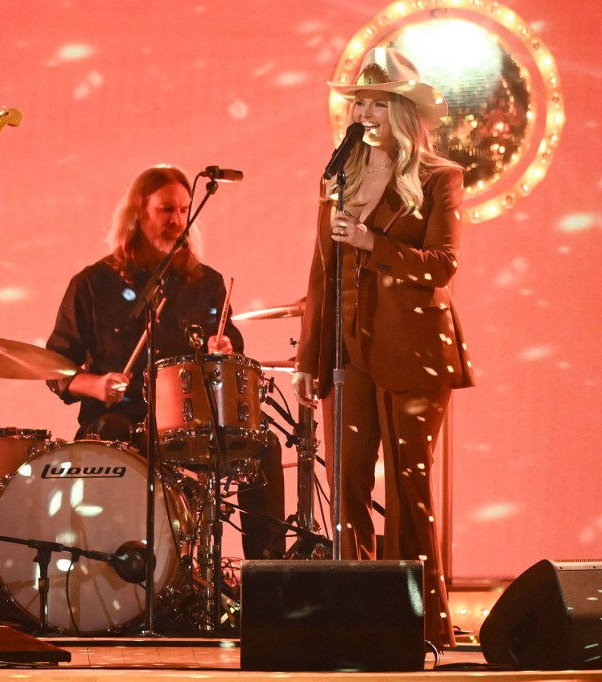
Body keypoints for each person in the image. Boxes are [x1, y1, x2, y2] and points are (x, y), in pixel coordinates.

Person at [292, 47, 475, 649]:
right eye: (358, 102)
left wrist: (372, 241)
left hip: (414, 348)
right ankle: (356, 613)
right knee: (345, 482)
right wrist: (308, 360)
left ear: (401, 110)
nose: (364, 112)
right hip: (349, 350)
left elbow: (442, 265)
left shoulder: (438, 176)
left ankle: (420, 622)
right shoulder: (337, 177)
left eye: (376, 101)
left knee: (407, 484)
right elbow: (320, 275)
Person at [46, 165, 284, 562]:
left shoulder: (207, 283)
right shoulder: (92, 284)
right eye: (166, 210)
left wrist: (224, 347)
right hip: (120, 420)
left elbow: (230, 345)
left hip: (190, 425)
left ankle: (265, 571)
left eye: (183, 210)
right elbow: (55, 367)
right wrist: (96, 385)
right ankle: (118, 565)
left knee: (264, 446)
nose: (177, 220)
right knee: (108, 433)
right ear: (139, 213)